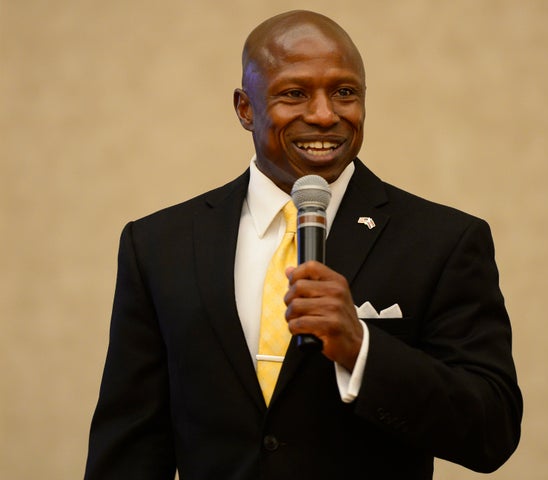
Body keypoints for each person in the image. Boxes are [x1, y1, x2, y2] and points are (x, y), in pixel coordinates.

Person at [85, 10, 522, 480]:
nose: (323, 114)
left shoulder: (444, 241)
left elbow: (491, 431)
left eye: (345, 92)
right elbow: (129, 445)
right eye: (294, 93)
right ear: (245, 108)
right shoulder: (158, 245)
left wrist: (362, 350)